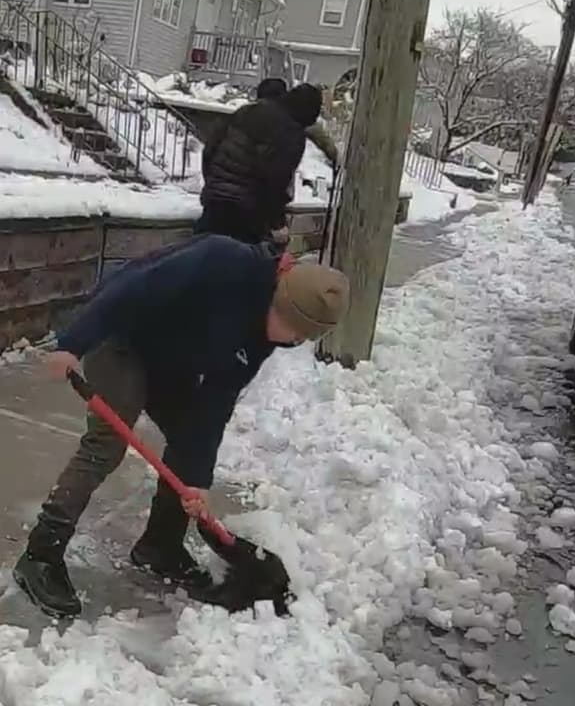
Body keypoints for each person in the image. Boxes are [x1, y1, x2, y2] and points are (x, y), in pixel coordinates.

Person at [12, 235, 350, 618]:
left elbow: (216, 402)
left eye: (303, 338)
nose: (294, 341)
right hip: (121, 337)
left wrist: (197, 479)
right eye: (294, 330)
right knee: (107, 443)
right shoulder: (224, 262)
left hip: (169, 357)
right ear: (280, 300)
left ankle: (160, 546)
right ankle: (41, 554)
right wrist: (73, 343)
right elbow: (133, 286)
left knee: (188, 448)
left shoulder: (264, 336)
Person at [198, 84, 324, 247]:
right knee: (238, 259)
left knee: (202, 254)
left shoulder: (248, 111)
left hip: (215, 202)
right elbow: (275, 180)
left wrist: (213, 184)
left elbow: (210, 149)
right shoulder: (291, 132)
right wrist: (277, 224)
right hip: (246, 212)